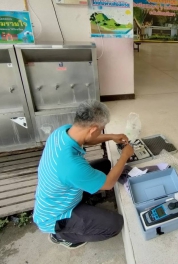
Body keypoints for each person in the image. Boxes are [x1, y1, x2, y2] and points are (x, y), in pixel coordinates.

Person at [33, 100, 134, 249]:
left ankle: (81, 208)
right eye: (102, 129)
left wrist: (111, 136)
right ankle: (61, 236)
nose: (102, 132)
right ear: (93, 129)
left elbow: (86, 138)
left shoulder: (62, 132)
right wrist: (125, 156)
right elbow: (108, 184)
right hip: (56, 216)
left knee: (106, 165)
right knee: (115, 224)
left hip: (59, 193)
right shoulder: (71, 165)